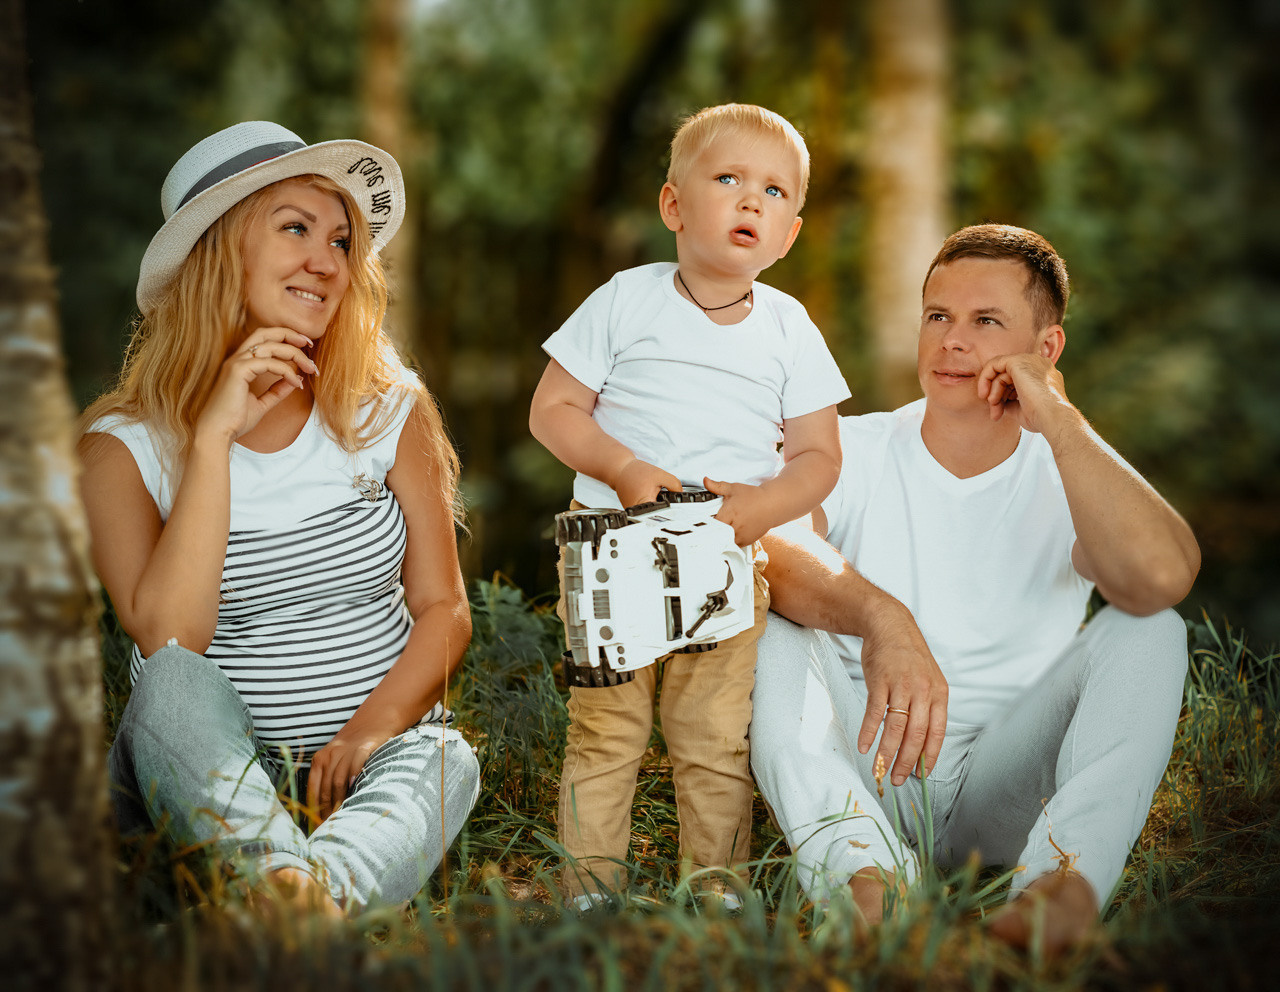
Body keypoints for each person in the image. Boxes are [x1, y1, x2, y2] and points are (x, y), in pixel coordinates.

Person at [749, 224, 1200, 954]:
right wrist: (882, 617)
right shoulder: (853, 447)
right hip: (866, 768)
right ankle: (865, 881)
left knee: (1154, 627)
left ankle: (1063, 886)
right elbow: (772, 537)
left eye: (986, 321)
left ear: (1045, 349)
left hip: (1006, 789)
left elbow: (1160, 577)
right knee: (767, 613)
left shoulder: (1070, 469)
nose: (952, 341)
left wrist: (1057, 419)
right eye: (938, 316)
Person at [77, 121, 480, 917]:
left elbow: (445, 610)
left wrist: (368, 734)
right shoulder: (120, 451)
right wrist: (213, 439)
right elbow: (170, 643)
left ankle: (290, 909)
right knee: (170, 689)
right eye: (295, 228)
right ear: (217, 252)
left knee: (448, 758)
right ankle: (294, 896)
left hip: (370, 769)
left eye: (339, 240)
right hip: (205, 780)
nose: (327, 262)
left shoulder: (389, 410)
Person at [528, 104, 850, 907]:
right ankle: (589, 889)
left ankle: (715, 888)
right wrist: (625, 467)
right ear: (674, 206)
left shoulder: (788, 327)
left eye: (774, 192)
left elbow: (818, 458)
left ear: (789, 234)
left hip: (724, 553)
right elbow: (553, 411)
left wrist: (760, 511)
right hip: (613, 546)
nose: (751, 201)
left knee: (712, 735)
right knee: (608, 731)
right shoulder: (626, 299)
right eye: (729, 179)